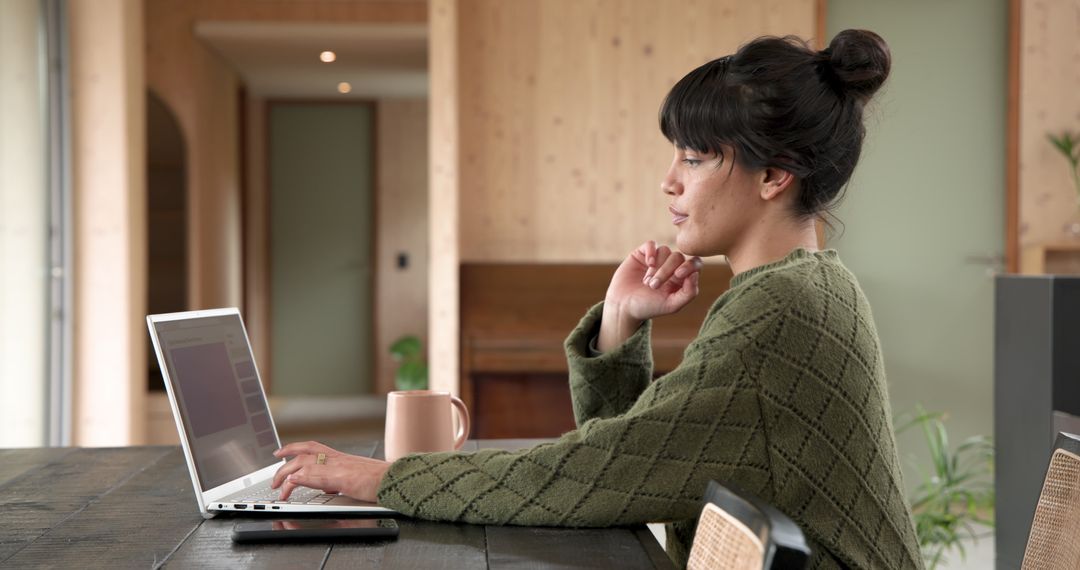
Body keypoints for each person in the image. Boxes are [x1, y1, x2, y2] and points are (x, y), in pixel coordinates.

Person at [272, 29, 923, 569]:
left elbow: (596, 471)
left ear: (775, 175)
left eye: (694, 159)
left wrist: (382, 479)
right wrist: (619, 320)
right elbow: (642, 462)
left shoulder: (781, 309)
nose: (669, 181)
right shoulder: (811, 285)